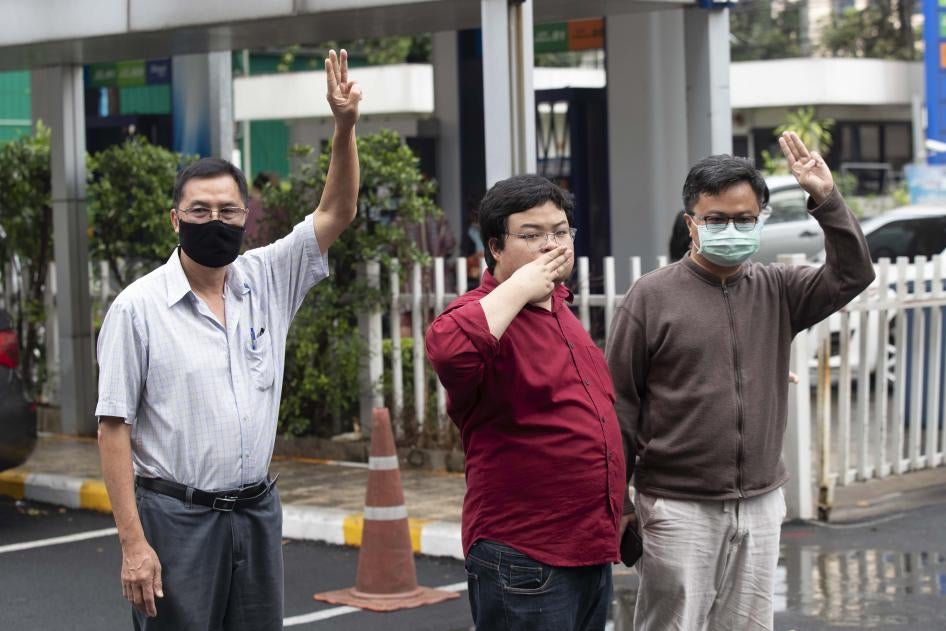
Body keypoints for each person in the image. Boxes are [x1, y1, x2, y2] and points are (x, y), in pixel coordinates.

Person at [95, 49, 361, 630]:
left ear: (246, 218)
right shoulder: (137, 308)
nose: (214, 220)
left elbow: (337, 210)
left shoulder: (267, 278)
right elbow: (113, 428)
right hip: (176, 519)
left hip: (256, 513)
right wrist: (133, 544)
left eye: (227, 210)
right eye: (199, 210)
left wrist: (344, 128)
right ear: (175, 219)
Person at [606, 132, 875, 631]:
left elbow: (853, 274)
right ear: (691, 223)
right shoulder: (651, 297)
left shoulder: (779, 289)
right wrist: (618, 501)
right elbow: (619, 403)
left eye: (744, 218)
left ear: (759, 220)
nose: (730, 228)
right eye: (715, 219)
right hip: (678, 507)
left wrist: (826, 198)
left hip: (760, 503)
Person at [426, 175, 625, 631]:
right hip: (526, 557)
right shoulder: (483, 312)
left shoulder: (561, 311)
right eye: (532, 235)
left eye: (560, 232)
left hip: (588, 549)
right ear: (496, 247)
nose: (551, 245)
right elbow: (448, 351)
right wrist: (521, 286)